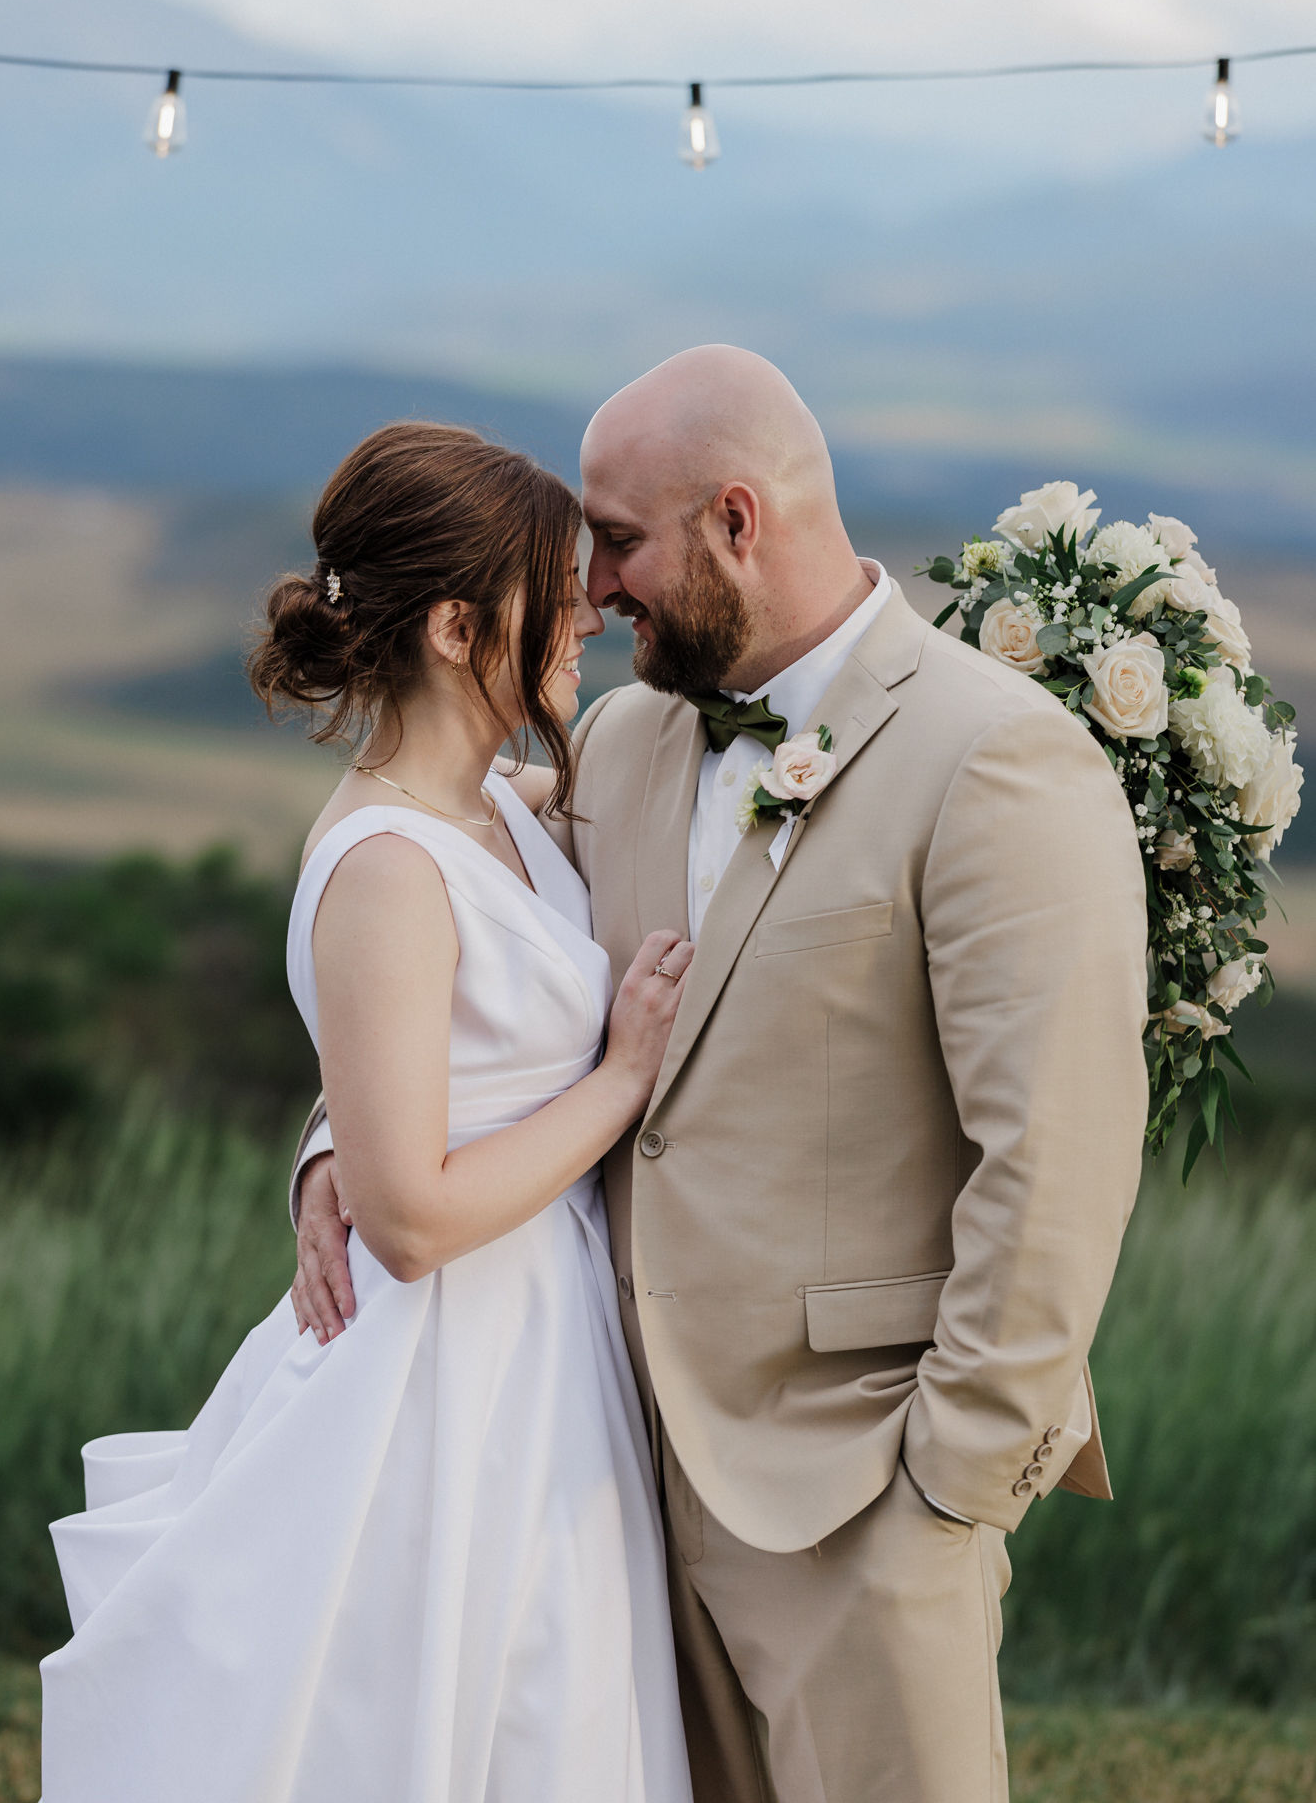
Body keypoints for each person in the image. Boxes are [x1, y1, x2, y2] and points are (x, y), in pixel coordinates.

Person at [294, 348, 1149, 1803]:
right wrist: (335, 1147)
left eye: (618, 543)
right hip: (608, 1473)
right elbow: (450, 945)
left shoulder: (995, 755)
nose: (594, 591)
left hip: (858, 1498)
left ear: (736, 523)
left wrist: (947, 1493)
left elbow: (1056, 1158)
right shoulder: (625, 737)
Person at [40, 422, 696, 1803]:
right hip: (448, 1371)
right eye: (555, 589)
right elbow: (407, 1222)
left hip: (541, 1335)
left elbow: (417, 1076)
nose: (587, 612)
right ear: (461, 627)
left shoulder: (504, 809)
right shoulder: (387, 868)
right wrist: (621, 1079)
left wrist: (323, 1140)